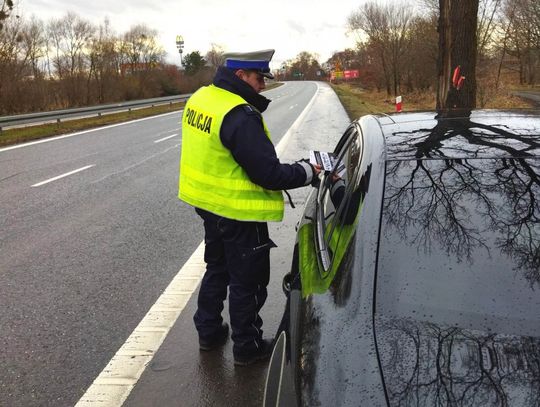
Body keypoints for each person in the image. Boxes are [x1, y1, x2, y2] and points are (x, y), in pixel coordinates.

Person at [178, 49, 321, 366]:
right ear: (240, 75)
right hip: (240, 212)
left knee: (217, 268)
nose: (262, 86)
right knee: (248, 283)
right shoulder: (239, 115)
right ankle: (247, 346)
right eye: (259, 79)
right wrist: (309, 171)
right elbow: (268, 174)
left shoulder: (202, 98)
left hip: (208, 205)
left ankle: (209, 333)